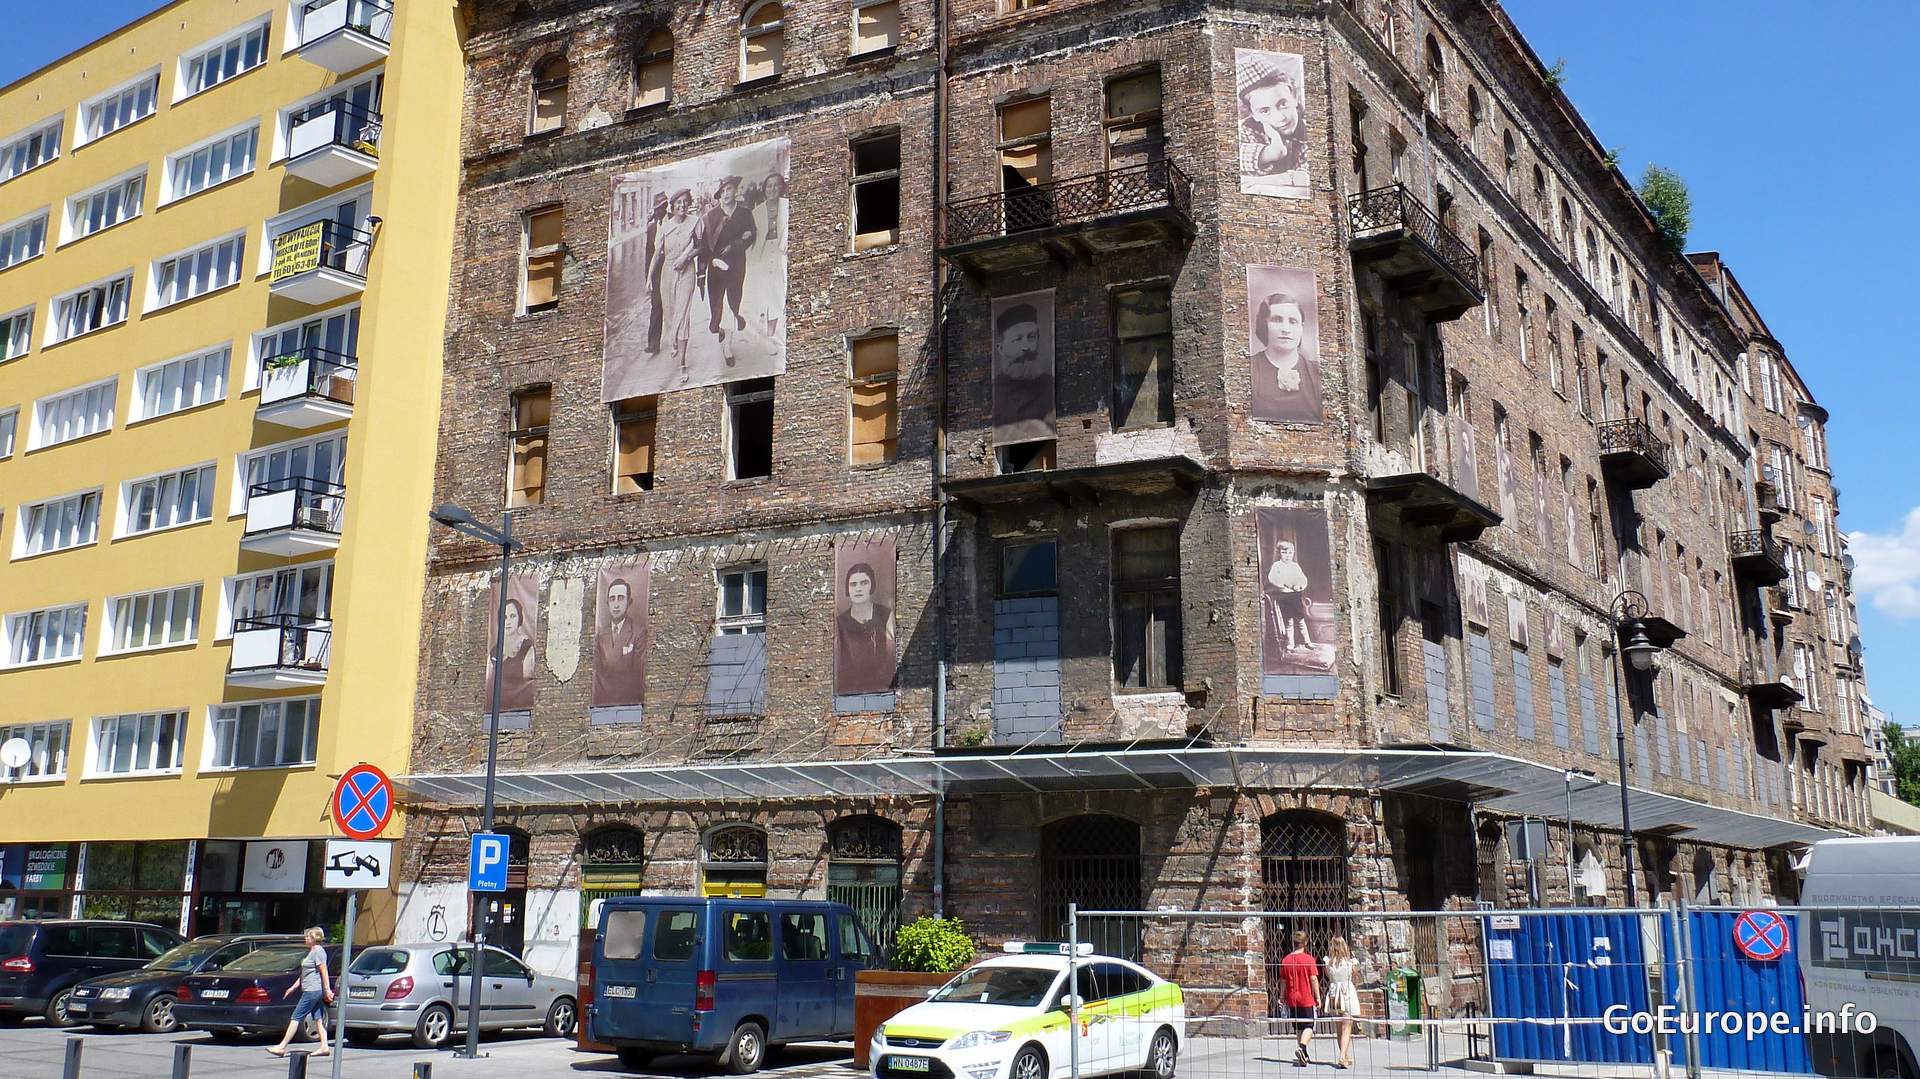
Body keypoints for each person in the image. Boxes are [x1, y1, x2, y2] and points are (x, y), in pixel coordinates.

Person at [702, 175, 758, 362]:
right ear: (719, 195)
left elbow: (751, 234)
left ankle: (728, 348)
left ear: (736, 190)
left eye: (729, 189)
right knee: (717, 307)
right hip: (716, 267)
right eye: (723, 191)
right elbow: (704, 244)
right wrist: (706, 266)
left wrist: (736, 244)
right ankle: (721, 328)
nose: (726, 194)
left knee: (732, 304)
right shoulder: (711, 216)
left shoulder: (744, 213)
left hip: (736, 265)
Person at [650, 188, 703, 380]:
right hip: (667, 274)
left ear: (689, 204)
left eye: (685, 202)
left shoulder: (696, 222)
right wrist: (649, 278)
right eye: (679, 203)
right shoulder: (665, 227)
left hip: (686, 272)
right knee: (671, 315)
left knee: (682, 317)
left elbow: (700, 246)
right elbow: (657, 254)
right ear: (672, 207)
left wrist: (687, 257)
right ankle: (673, 341)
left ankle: (682, 363)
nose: (682, 205)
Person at [1250, 290, 1322, 423]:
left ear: (1301, 327)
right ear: (1265, 324)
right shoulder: (1249, 369)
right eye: (1277, 320)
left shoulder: (1317, 373)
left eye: (1292, 321)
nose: (1285, 329)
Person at [1238, 56, 1308, 183]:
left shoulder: (1309, 130)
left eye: (1282, 104)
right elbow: (1230, 158)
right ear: (1253, 114)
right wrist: (1269, 153)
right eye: (1265, 111)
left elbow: (1306, 179)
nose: (1280, 117)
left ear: (1294, 96)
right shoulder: (1245, 131)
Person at [992, 302, 1052, 440]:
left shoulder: (1049, 385)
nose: (1026, 347)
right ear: (1001, 348)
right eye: (1017, 339)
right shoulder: (994, 391)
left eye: (1031, 337)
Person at [269, 927, 331, 1058]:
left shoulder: (318, 951)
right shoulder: (312, 951)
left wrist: (327, 989)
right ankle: (324, 1046)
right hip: (311, 989)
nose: (306, 939)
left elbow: (323, 971)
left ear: (315, 939)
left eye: (308, 937)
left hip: (312, 990)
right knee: (318, 1019)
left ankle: (281, 1046)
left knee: (296, 1017)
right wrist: (293, 988)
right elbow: (304, 974)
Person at [836, 562, 896, 695]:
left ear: (871, 585)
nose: (858, 589)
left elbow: (890, 653)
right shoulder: (840, 622)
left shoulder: (885, 615)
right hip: (850, 686)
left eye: (864, 583)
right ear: (847, 589)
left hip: (881, 685)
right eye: (853, 584)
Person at [594, 577, 646, 704]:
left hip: (628, 699)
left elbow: (637, 673)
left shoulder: (638, 632)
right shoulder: (600, 635)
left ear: (629, 601)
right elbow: (598, 672)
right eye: (612, 599)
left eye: (620, 598)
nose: (616, 604)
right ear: (607, 603)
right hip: (605, 699)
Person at [1266, 539, 1318, 652]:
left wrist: (1300, 586)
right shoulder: (1277, 565)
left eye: (1290, 553)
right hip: (1284, 597)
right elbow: (1272, 578)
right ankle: (1291, 643)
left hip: (1295, 596)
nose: (1287, 556)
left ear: (1293, 553)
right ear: (1279, 553)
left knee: (1300, 619)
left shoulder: (1295, 566)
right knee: (1288, 621)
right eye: (1284, 553)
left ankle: (1307, 641)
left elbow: (1303, 579)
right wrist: (1283, 583)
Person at [1280, 930, 1321, 1067]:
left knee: (1298, 1026)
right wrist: (1318, 997)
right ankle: (1302, 1047)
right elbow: (1313, 979)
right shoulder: (1309, 959)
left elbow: (1283, 981)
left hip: (1292, 998)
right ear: (1305, 942)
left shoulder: (1286, 960)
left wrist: (1281, 996)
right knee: (1309, 1025)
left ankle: (1304, 1054)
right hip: (1306, 997)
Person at [489, 597, 535, 711]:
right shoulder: (494, 651)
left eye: (512, 616)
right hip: (495, 707)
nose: (508, 622)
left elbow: (528, 680)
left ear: (519, 618)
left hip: (520, 707)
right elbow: (489, 681)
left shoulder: (527, 647)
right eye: (504, 617)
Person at [1324, 936, 1361, 1069]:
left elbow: (1328, 976)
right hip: (1347, 993)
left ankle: (1344, 1056)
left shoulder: (1328, 962)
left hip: (1335, 994)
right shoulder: (1351, 962)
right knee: (1347, 1027)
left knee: (1339, 1028)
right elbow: (1355, 975)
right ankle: (1341, 1056)